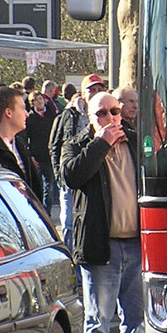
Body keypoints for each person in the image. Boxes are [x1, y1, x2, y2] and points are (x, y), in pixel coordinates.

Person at [61, 91, 147, 333]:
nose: (110, 118)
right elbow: (71, 175)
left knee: (135, 318)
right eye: (102, 113)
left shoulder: (137, 143)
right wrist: (101, 143)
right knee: (98, 318)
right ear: (90, 116)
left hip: (136, 245)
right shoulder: (79, 145)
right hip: (101, 247)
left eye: (114, 111)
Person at [51, 75, 106, 232]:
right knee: (69, 223)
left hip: (95, 179)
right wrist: (59, 174)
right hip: (70, 176)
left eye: (99, 89)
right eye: (92, 90)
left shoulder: (110, 113)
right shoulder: (67, 115)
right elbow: (55, 145)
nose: (96, 93)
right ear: (83, 94)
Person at [24, 90, 58, 211]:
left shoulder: (51, 115)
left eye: (40, 99)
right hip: (37, 155)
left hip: (50, 154)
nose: (39, 102)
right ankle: (36, 209)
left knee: (48, 186)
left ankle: (46, 213)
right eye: (36, 100)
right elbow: (25, 138)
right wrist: (30, 155)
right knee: (37, 185)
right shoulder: (30, 118)